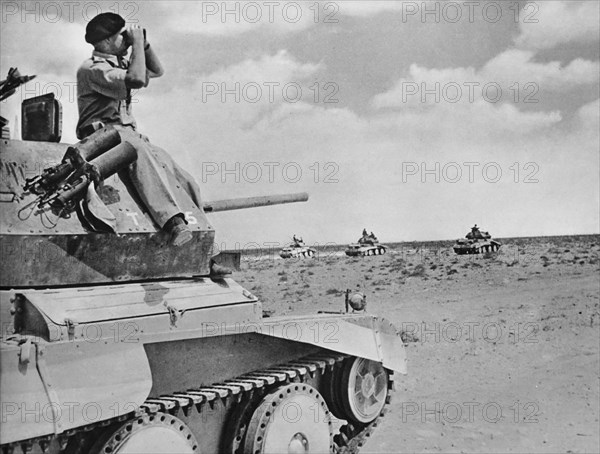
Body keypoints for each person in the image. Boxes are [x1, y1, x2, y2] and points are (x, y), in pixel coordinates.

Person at [76, 12, 200, 247]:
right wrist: (137, 46)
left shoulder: (119, 63)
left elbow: (156, 71)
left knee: (183, 178)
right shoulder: (93, 69)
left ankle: (202, 244)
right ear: (105, 42)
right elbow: (136, 80)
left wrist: (144, 43)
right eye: (121, 36)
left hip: (126, 134)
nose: (126, 39)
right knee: (134, 148)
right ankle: (173, 222)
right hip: (101, 137)